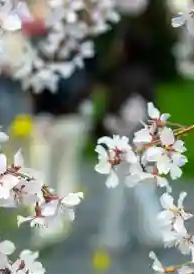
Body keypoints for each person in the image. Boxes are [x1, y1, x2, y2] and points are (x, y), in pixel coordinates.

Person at [23, 12, 96, 247]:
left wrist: (39, 113)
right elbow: (89, 83)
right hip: (73, 118)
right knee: (65, 171)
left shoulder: (45, 50)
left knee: (43, 172)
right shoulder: (82, 52)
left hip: (50, 120)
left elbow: (36, 85)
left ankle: (46, 225)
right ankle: (61, 221)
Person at [93, 23, 165, 250]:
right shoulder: (143, 74)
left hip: (125, 140)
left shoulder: (124, 75)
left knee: (121, 190)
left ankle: (114, 235)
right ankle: (149, 231)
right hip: (139, 141)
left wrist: (108, 126)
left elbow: (125, 112)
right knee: (138, 188)